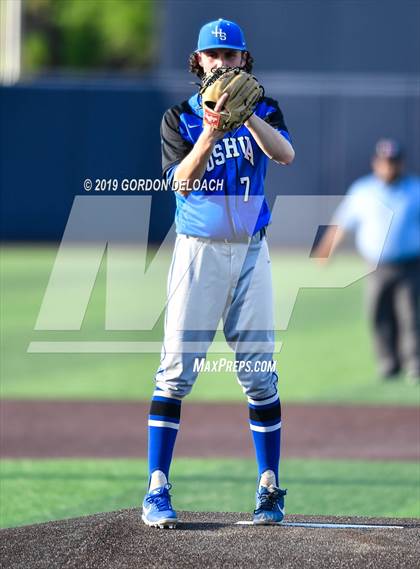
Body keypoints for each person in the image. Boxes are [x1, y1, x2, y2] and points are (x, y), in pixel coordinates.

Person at [141, 18, 295, 528]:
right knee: (176, 372)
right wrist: (210, 131)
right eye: (214, 56)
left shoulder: (264, 108)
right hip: (198, 252)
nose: (222, 64)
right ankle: (157, 487)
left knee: (259, 375)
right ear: (198, 61)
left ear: (243, 61)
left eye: (231, 57)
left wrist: (247, 117)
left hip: (252, 251)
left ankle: (268, 487)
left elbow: (285, 154)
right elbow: (179, 183)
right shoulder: (177, 119)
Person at [314, 138, 420, 383]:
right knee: (378, 314)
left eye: (393, 163)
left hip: (410, 264)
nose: (388, 168)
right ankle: (387, 364)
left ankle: (414, 363)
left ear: (401, 164)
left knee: (410, 316)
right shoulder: (363, 190)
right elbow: (342, 222)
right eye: (384, 163)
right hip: (376, 266)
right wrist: (326, 249)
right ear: (376, 163)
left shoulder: (414, 189)